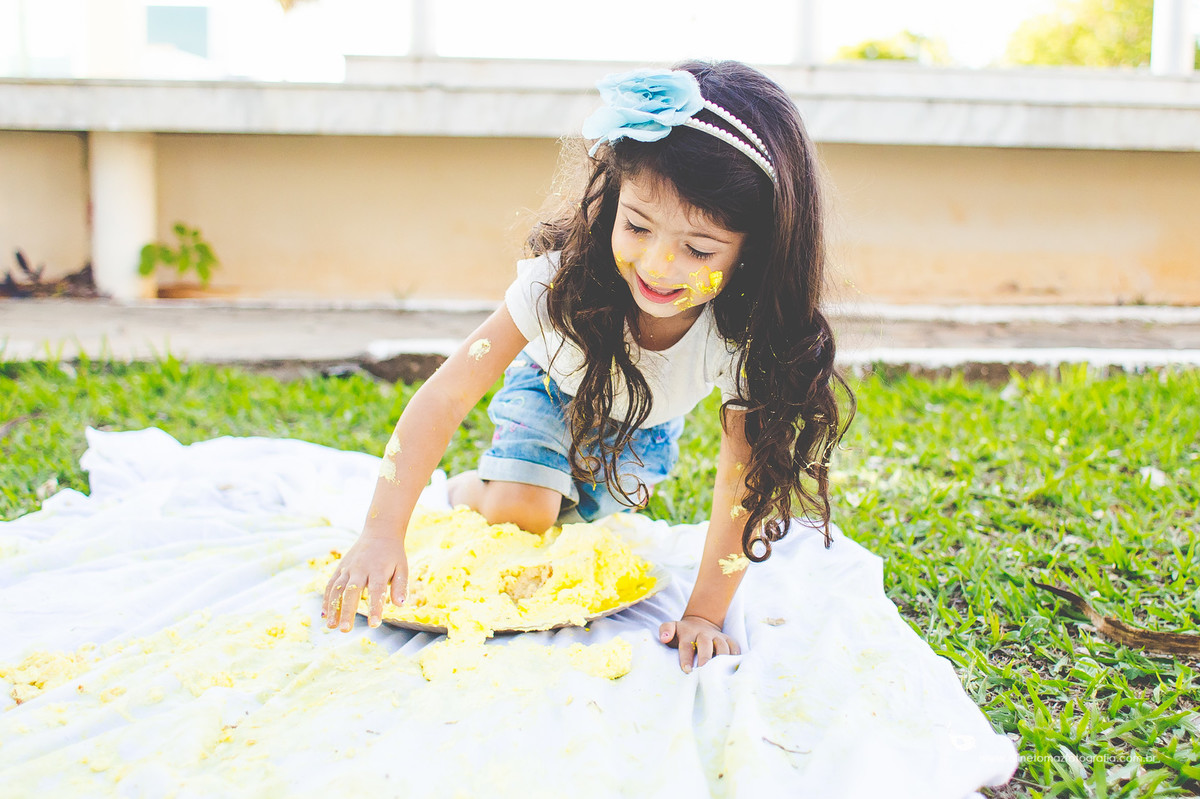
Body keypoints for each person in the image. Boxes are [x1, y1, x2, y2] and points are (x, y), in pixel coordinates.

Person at [322, 60, 854, 673]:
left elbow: (741, 475)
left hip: (644, 429)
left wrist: (704, 613)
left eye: (699, 249)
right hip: (548, 391)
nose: (657, 264)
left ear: (752, 250)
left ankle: (525, 485)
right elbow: (446, 394)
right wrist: (383, 531)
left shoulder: (743, 335)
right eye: (636, 226)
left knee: (574, 525)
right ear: (613, 201)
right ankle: (472, 489)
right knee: (523, 513)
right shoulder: (558, 287)